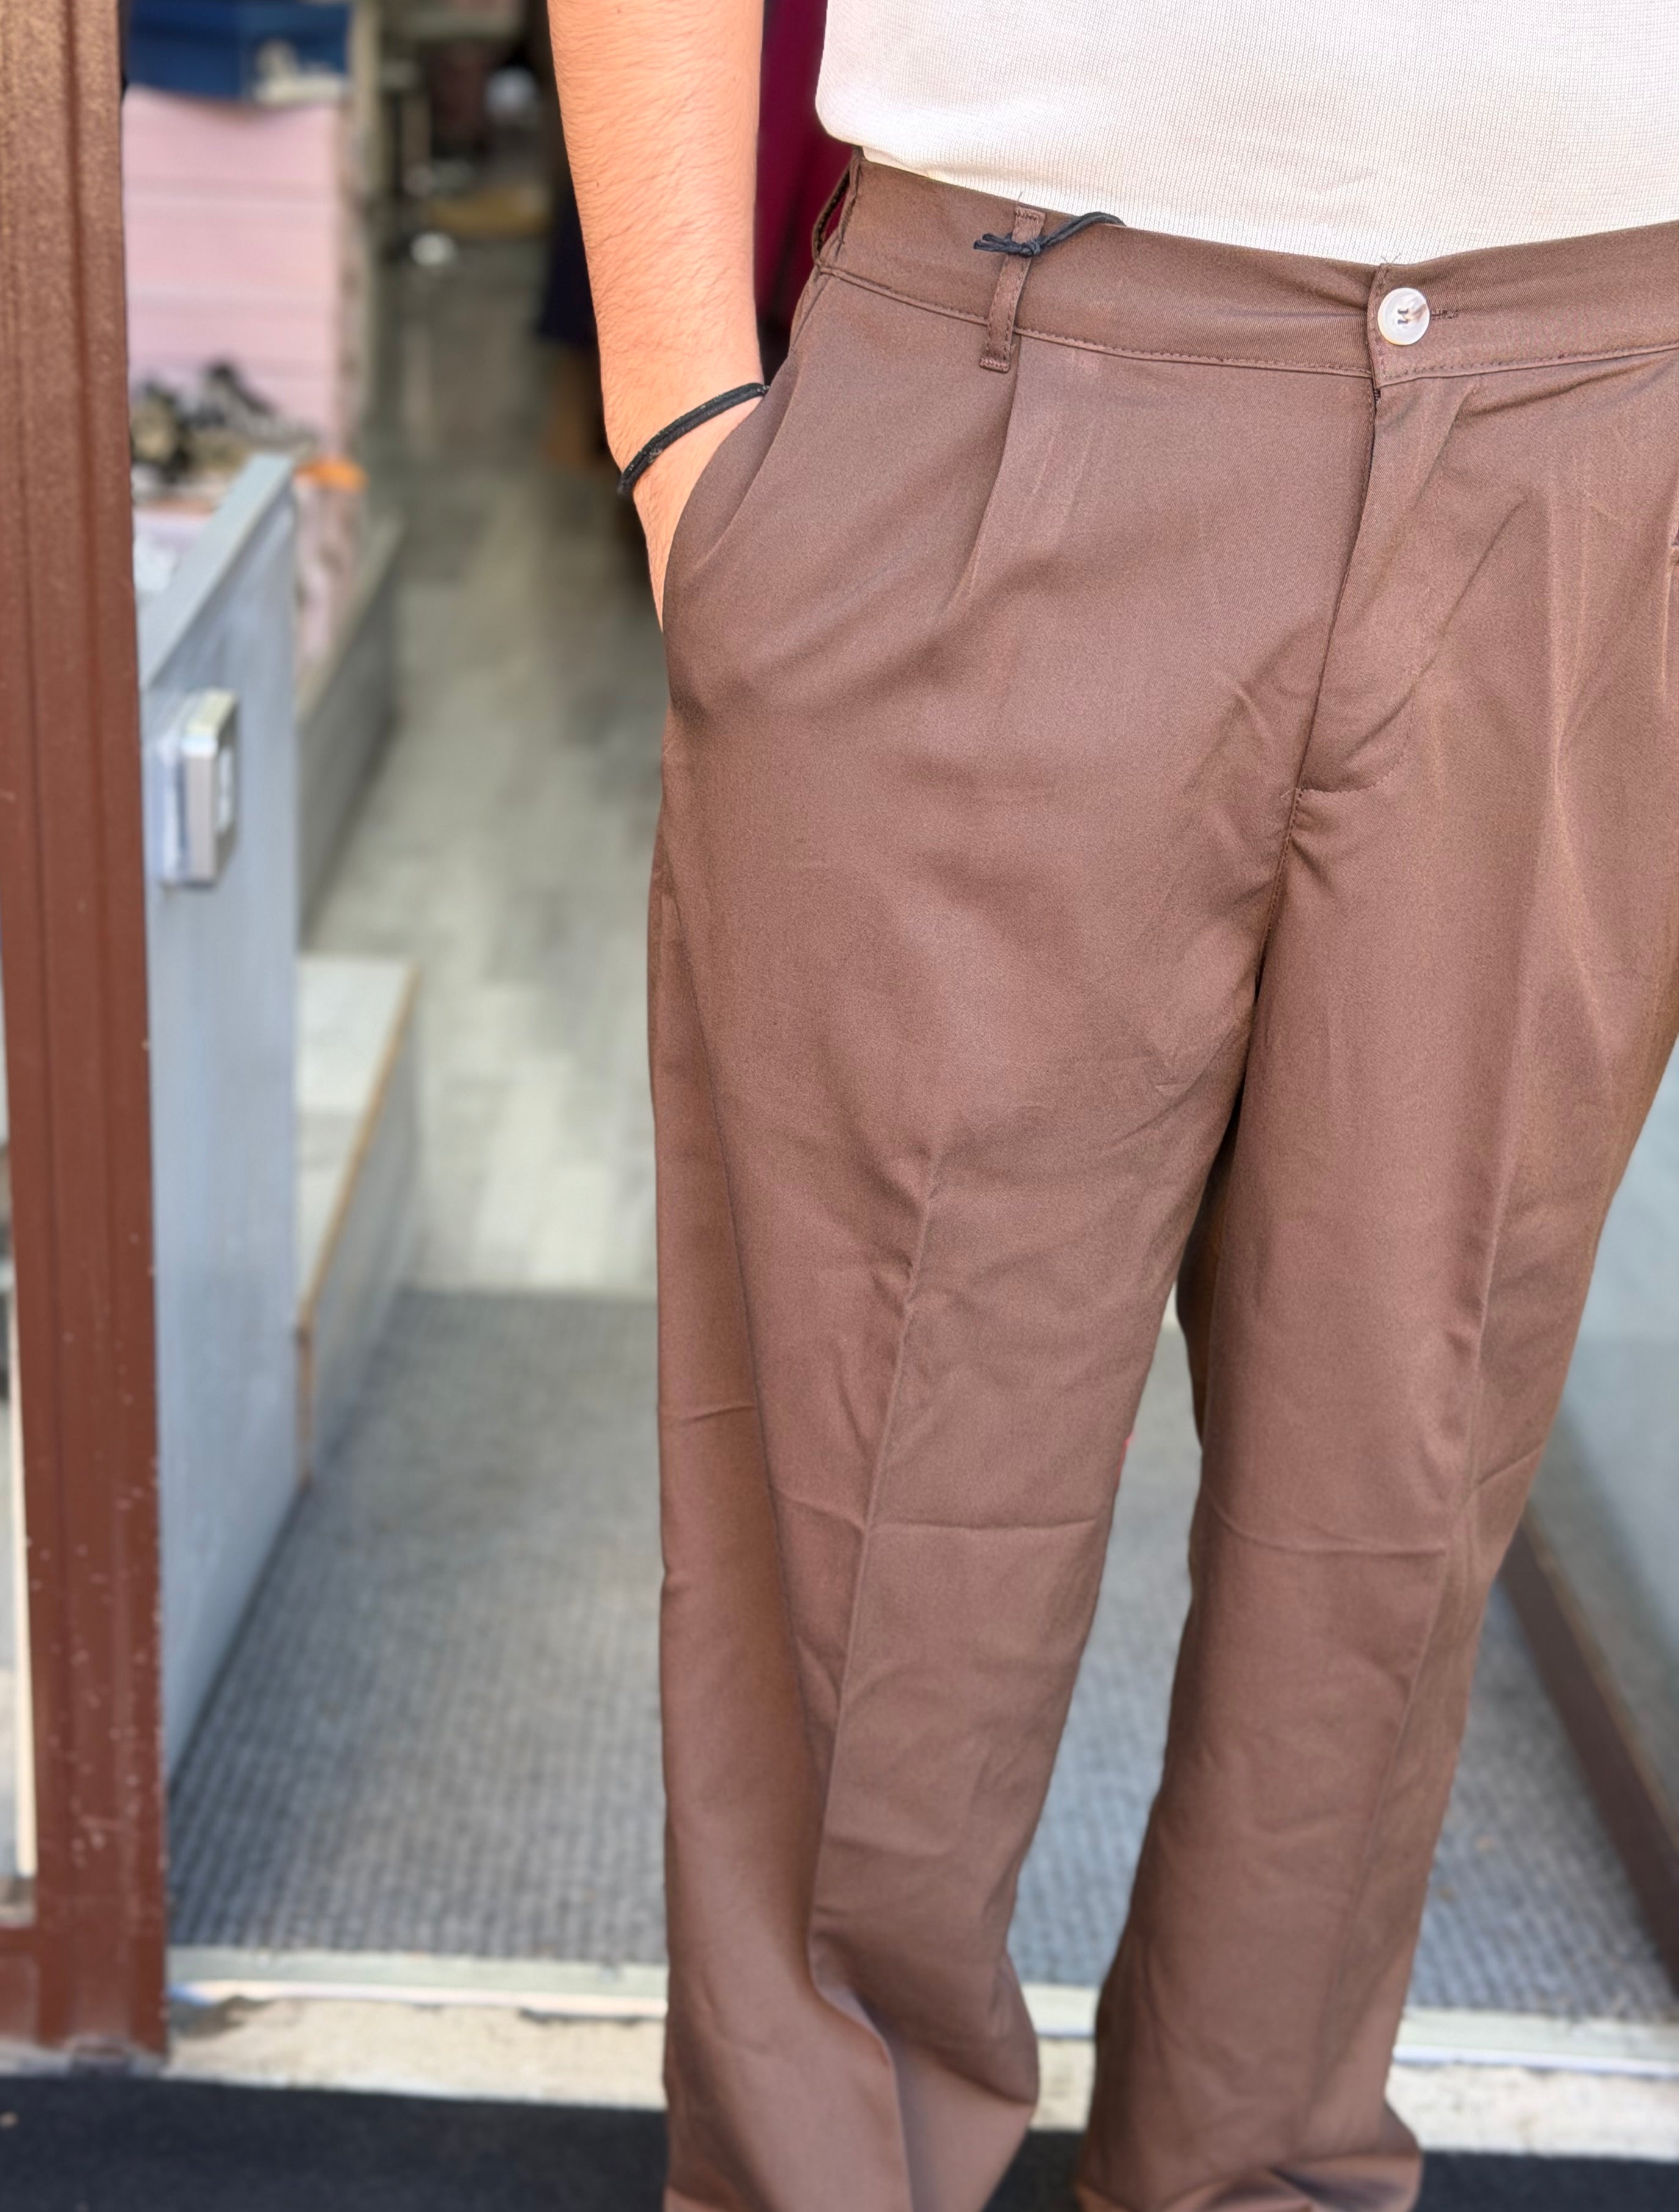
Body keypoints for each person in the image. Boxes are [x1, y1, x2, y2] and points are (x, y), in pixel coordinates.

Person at [542, 8, 1679, 2209]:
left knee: (1400, 1461)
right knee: (874, 1475)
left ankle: (1255, 2168)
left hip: (1608, 414)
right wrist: (679, 416)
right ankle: (819, 2178)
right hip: (1010, 360)